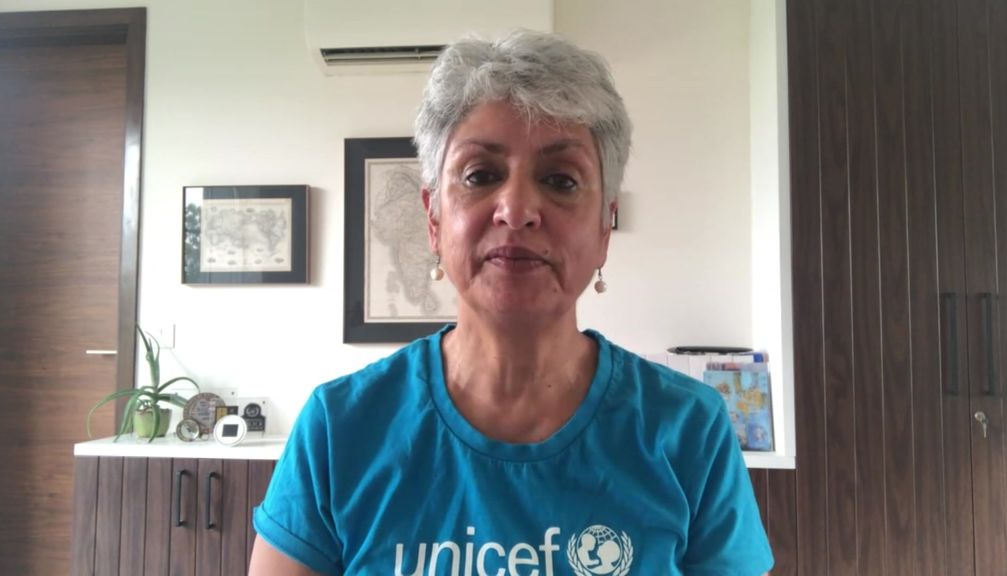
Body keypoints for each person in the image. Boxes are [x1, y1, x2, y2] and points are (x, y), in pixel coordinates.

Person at [249, 30, 774, 576]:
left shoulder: (690, 430)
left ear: (604, 228)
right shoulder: (339, 430)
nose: (517, 209)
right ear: (433, 219)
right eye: (480, 175)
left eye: (561, 180)